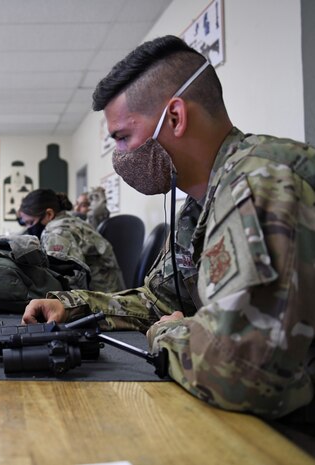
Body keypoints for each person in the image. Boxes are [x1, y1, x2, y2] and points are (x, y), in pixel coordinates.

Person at [22, 35, 315, 421]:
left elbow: (243, 372)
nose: (121, 157)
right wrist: (73, 306)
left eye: (124, 137)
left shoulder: (259, 185)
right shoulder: (201, 202)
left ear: (175, 117)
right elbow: (159, 302)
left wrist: (168, 334)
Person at [18, 188, 125, 293]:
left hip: (103, 301)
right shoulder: (71, 220)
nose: (29, 228)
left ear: (49, 214)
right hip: (111, 292)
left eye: (31, 222)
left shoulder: (57, 232)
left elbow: (67, 282)